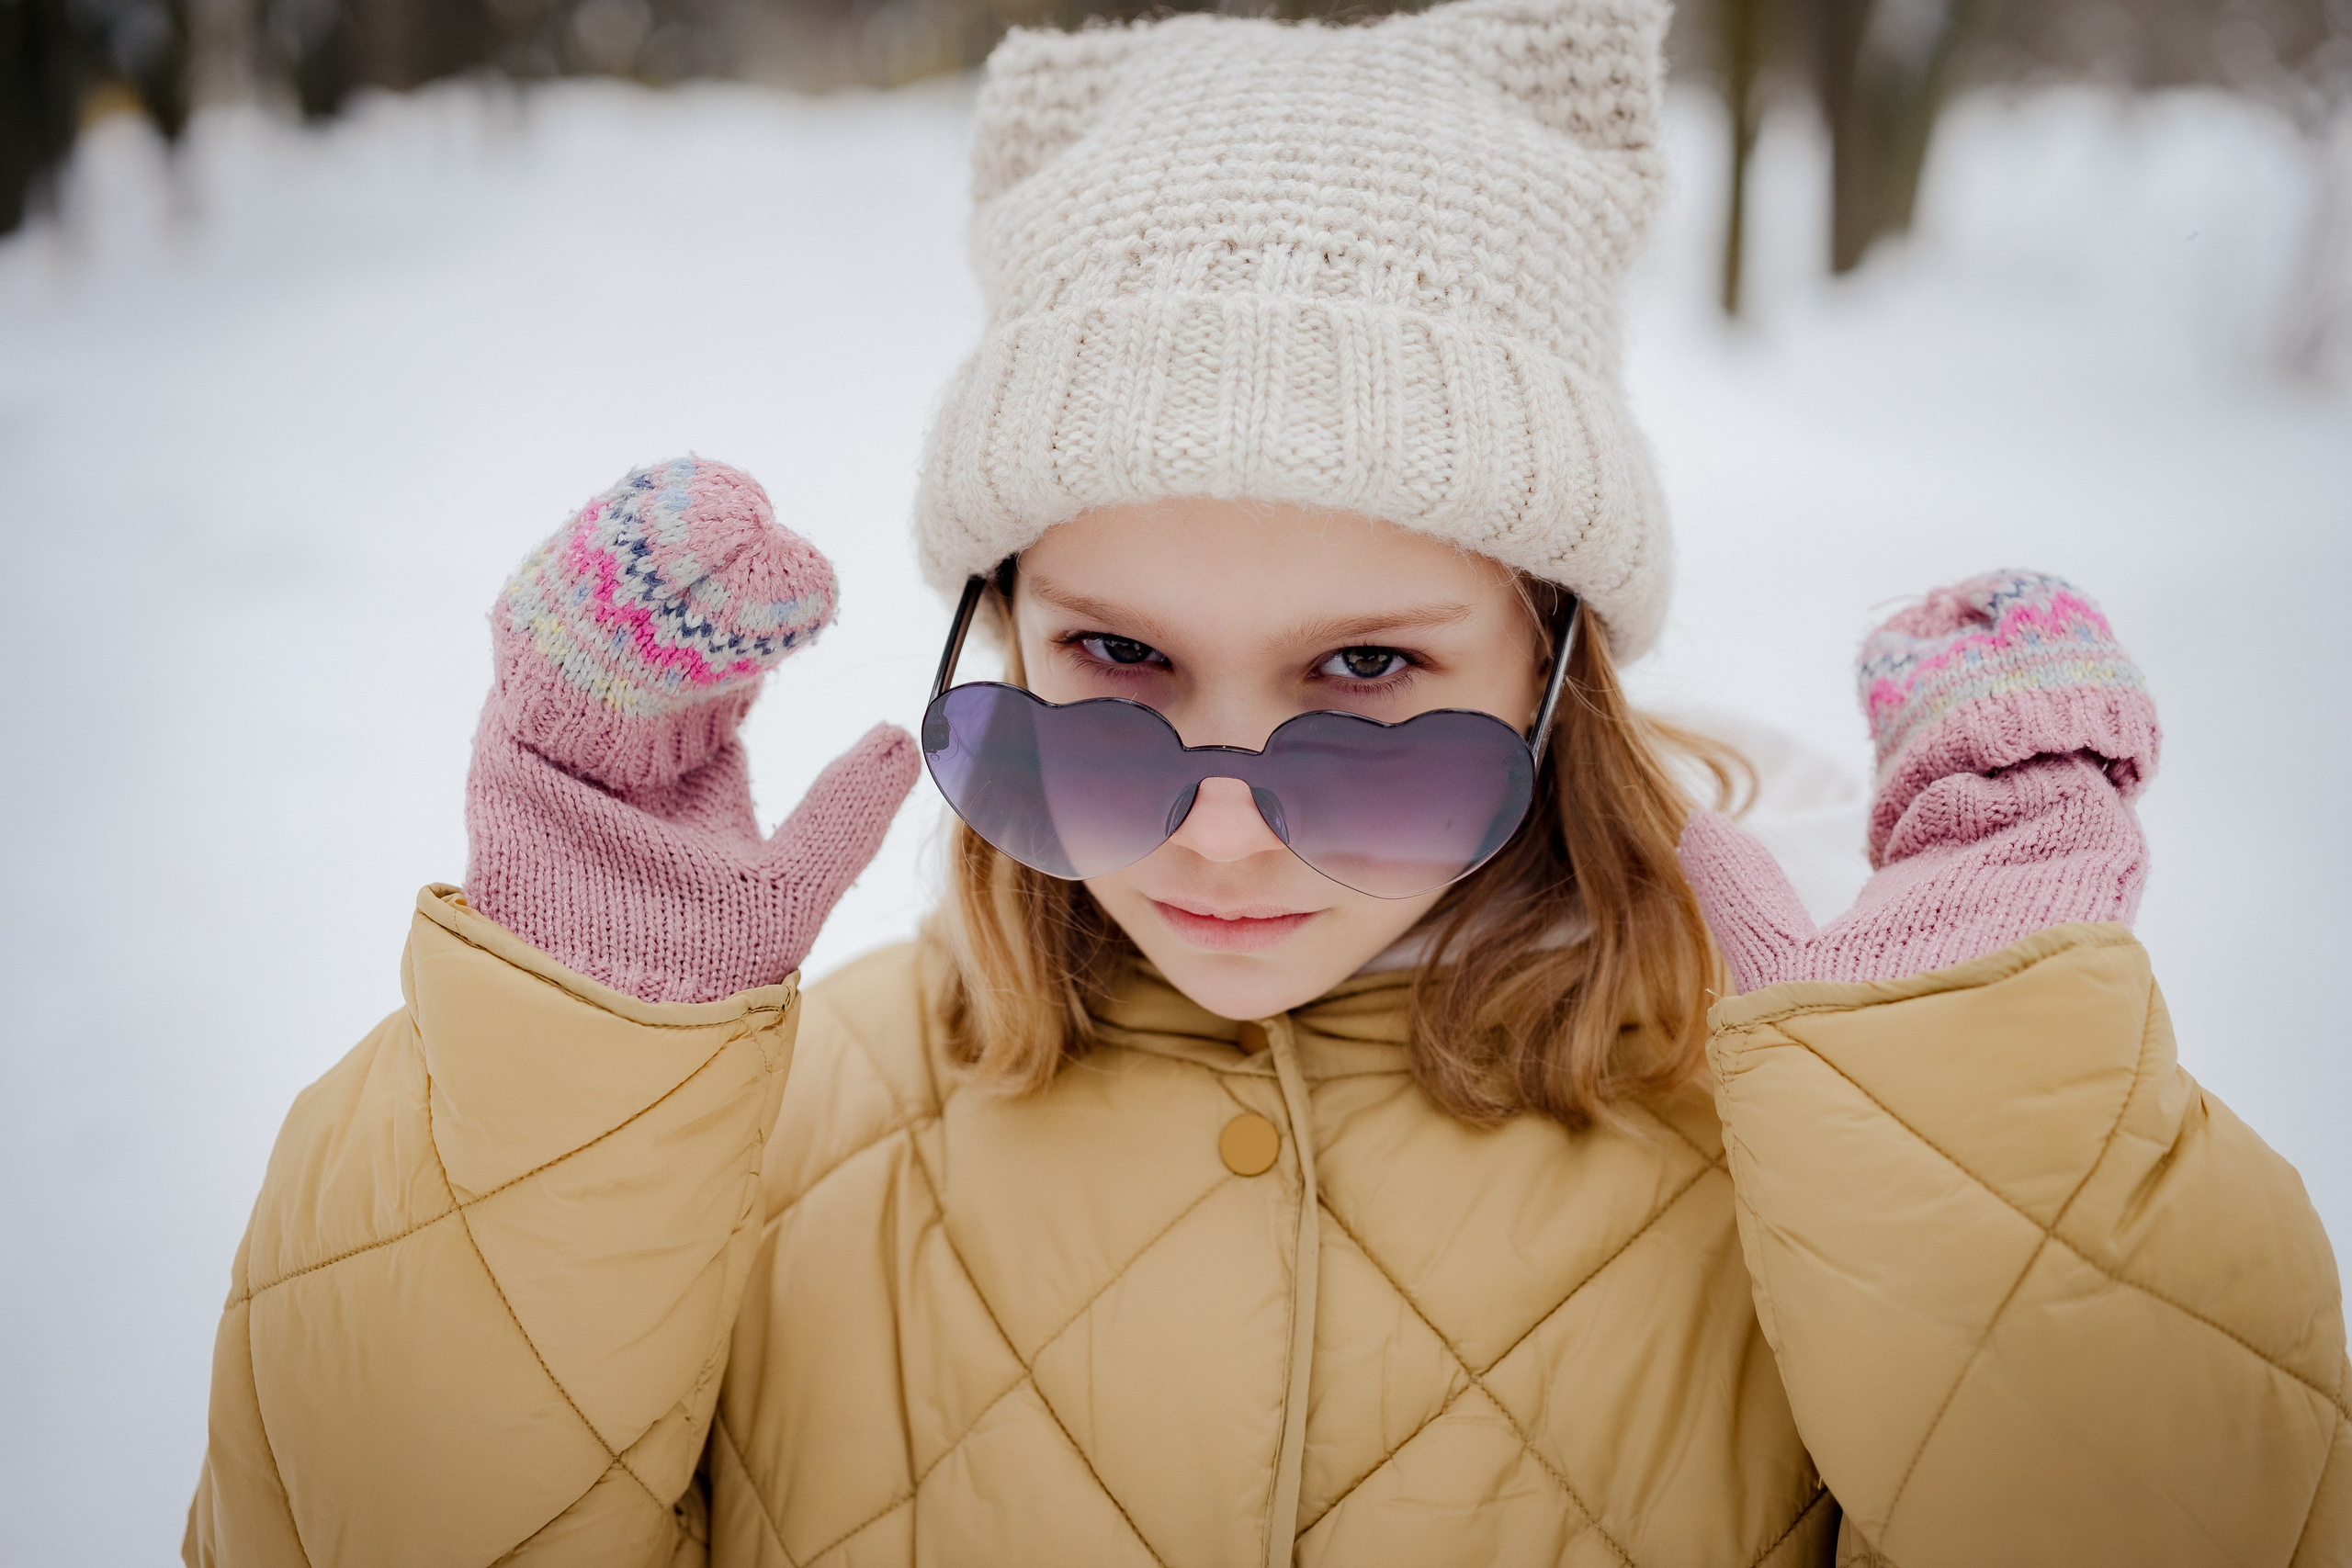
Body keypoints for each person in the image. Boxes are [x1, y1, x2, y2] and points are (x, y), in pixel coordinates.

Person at [184, 0, 2349, 1562]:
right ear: (996, 632)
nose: (1216, 827)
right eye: (1111, 667)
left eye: (1366, 678)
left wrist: (1981, 1149)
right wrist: (568, 1083)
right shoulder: (764, 1135)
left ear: (1556, 665)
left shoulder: (1795, 1160)